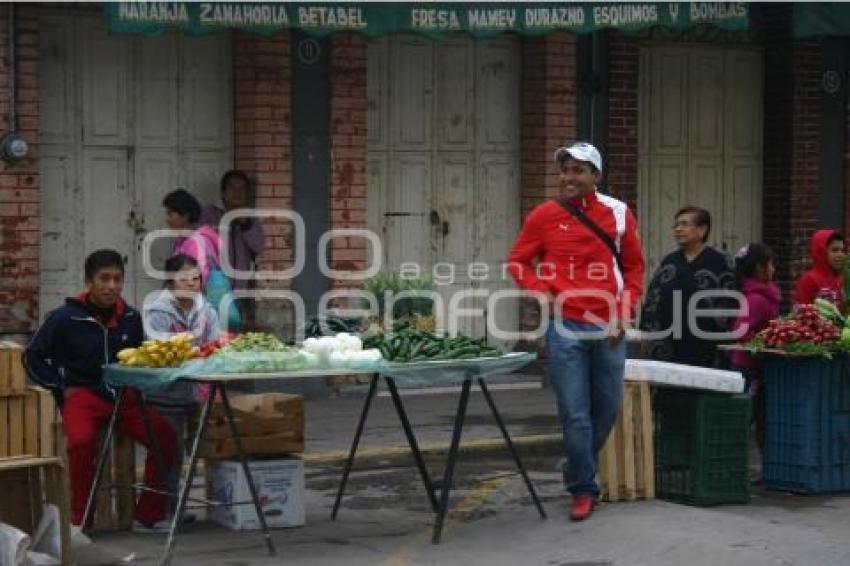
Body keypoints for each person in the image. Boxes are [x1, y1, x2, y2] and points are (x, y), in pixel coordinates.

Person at [508, 141, 645, 521]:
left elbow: (634, 269)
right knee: (575, 413)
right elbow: (518, 262)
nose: (569, 177)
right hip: (565, 324)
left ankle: (575, 465)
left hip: (609, 326)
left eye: (578, 170)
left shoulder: (618, 213)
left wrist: (624, 312)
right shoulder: (544, 215)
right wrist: (540, 293)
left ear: (596, 176)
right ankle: (584, 488)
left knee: (609, 407)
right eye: (565, 170)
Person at [23, 249, 177, 532]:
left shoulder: (131, 317)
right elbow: (32, 356)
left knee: (165, 437)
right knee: (81, 442)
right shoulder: (64, 318)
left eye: (117, 279)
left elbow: (139, 357)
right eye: (104, 279)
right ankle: (80, 521)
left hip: (125, 396)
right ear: (88, 282)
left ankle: (148, 515)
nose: (112, 286)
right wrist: (61, 386)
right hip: (83, 395)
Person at [143, 254, 220, 512]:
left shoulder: (207, 311)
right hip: (163, 395)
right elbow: (161, 352)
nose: (192, 283)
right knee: (169, 454)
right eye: (184, 278)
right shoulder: (157, 312)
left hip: (196, 392)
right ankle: (163, 510)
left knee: (195, 453)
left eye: (196, 278)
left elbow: (214, 347)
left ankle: (176, 508)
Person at [639, 206, 736, 367]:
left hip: (707, 344)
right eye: (676, 225)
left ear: (702, 230)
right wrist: (646, 335)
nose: (678, 229)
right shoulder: (670, 261)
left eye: (684, 224)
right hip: (669, 344)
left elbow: (733, 303)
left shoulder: (721, 262)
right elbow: (652, 299)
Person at [163, 188, 240, 330]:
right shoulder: (182, 241)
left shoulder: (195, 242)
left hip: (199, 314)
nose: (167, 219)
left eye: (171, 214)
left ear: (185, 215)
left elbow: (199, 279)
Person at [729, 243, 781, 453]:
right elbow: (740, 331)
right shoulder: (756, 300)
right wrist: (763, 342)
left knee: (761, 419)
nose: (774, 269)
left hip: (759, 368)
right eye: (771, 264)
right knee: (744, 419)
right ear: (760, 268)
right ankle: (735, 465)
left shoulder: (765, 295)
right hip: (747, 368)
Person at [200, 170, 265, 323]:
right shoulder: (210, 214)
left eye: (241, 188)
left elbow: (259, 246)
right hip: (213, 290)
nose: (237, 193)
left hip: (240, 291)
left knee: (237, 335)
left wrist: (244, 224)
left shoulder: (250, 218)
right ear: (223, 192)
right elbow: (200, 244)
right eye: (232, 188)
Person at [793, 229, 846, 310]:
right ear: (821, 251)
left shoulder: (841, 279)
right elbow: (801, 315)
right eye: (835, 250)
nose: (841, 254)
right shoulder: (809, 280)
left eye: (842, 250)